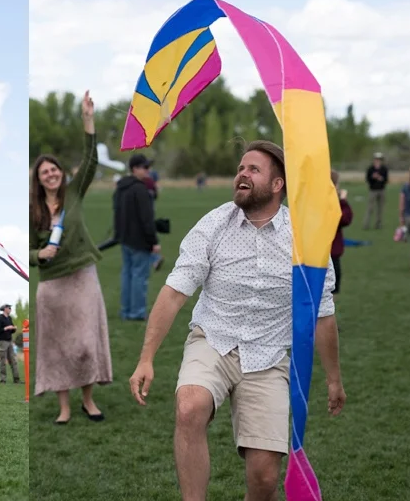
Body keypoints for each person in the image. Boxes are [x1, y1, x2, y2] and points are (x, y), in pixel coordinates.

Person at [129, 140, 346, 500]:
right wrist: (146, 358)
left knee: (263, 480)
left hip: (270, 355)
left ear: (278, 185)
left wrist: (334, 379)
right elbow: (173, 293)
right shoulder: (213, 225)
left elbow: (322, 315)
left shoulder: (306, 240)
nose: (242, 174)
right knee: (189, 405)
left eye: (253, 170)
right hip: (213, 339)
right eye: (240, 169)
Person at [29, 90, 112, 425]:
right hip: (52, 284)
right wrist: (40, 253)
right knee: (56, 346)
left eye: (54, 170)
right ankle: (64, 407)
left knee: (85, 343)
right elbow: (24, 250)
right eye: (45, 172)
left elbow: (91, 160)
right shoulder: (31, 210)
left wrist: (87, 119)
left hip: (82, 276)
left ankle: (88, 400)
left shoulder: (74, 193)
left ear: (61, 173)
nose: (51, 174)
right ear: (38, 178)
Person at [113, 154, 162, 320]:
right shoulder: (140, 189)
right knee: (139, 276)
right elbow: (146, 219)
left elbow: (116, 213)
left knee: (127, 274)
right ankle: (137, 312)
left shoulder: (121, 187)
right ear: (135, 169)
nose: (148, 171)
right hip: (139, 240)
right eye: (145, 167)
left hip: (125, 238)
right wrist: (153, 241)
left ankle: (126, 310)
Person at [330, 170, 354, 302]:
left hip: (316, 253)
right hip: (330, 253)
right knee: (330, 292)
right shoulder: (330, 202)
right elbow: (344, 219)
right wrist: (343, 201)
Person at [0, 304, 20, 384]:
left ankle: (16, 379)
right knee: (3, 361)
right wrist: (6, 328)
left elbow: (11, 330)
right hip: (2, 342)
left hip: (9, 341)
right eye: (9, 308)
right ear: (5, 309)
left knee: (13, 360)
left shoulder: (9, 318)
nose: (10, 309)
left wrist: (13, 329)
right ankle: (3, 379)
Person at [364, 152, 388, 229]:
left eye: (379, 159)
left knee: (380, 208)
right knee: (370, 208)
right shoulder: (370, 169)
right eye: (376, 159)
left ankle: (378, 224)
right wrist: (373, 177)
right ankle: (366, 224)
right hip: (373, 190)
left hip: (381, 190)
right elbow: (367, 179)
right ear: (374, 160)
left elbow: (386, 179)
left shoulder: (384, 169)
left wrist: (381, 178)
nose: (378, 161)